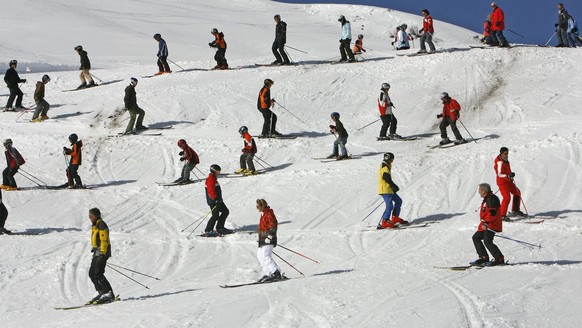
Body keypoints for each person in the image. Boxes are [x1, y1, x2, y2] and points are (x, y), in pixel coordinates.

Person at [87, 208, 116, 304]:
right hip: (97, 252)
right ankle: (100, 291)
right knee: (92, 273)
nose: (89, 218)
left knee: (98, 273)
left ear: (95, 216)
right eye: (89, 216)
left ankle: (108, 293)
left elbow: (105, 240)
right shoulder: (95, 225)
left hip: (102, 252)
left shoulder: (101, 224)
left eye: (91, 216)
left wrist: (102, 253)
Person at [472, 183, 505, 266]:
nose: (479, 192)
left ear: (483, 191)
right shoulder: (488, 199)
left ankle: (499, 258)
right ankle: (484, 257)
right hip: (486, 224)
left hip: (491, 224)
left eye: (479, 190)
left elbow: (492, 212)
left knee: (487, 241)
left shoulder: (491, 199)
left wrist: (486, 223)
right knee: (476, 237)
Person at [377, 152, 408, 229]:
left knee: (398, 201)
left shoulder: (386, 166)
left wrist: (392, 187)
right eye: (392, 160)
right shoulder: (384, 166)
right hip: (385, 189)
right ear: (388, 159)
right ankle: (385, 221)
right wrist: (393, 186)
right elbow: (386, 178)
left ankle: (394, 218)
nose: (392, 161)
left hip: (389, 189)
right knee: (389, 205)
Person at [256, 199, 282, 282]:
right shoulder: (263, 214)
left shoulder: (269, 214)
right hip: (263, 239)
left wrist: (270, 236)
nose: (257, 208)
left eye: (258, 206)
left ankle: (276, 272)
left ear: (262, 206)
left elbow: (273, 225)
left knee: (266, 256)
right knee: (260, 256)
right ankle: (269, 273)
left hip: (268, 239)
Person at [494, 147, 523, 219]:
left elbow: (506, 170)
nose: (506, 155)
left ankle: (515, 210)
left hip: (508, 181)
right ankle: (501, 215)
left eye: (507, 153)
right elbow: (499, 174)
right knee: (507, 197)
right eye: (505, 154)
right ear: (501, 154)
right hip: (502, 182)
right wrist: (508, 176)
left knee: (517, 192)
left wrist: (510, 175)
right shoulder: (500, 162)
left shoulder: (505, 160)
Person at [204, 164, 231, 235]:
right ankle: (208, 230)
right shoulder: (210, 179)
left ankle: (220, 228)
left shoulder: (213, 178)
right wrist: (215, 199)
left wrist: (218, 199)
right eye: (218, 171)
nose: (219, 173)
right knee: (215, 215)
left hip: (218, 200)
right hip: (214, 201)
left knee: (225, 211)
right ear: (214, 171)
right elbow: (210, 191)